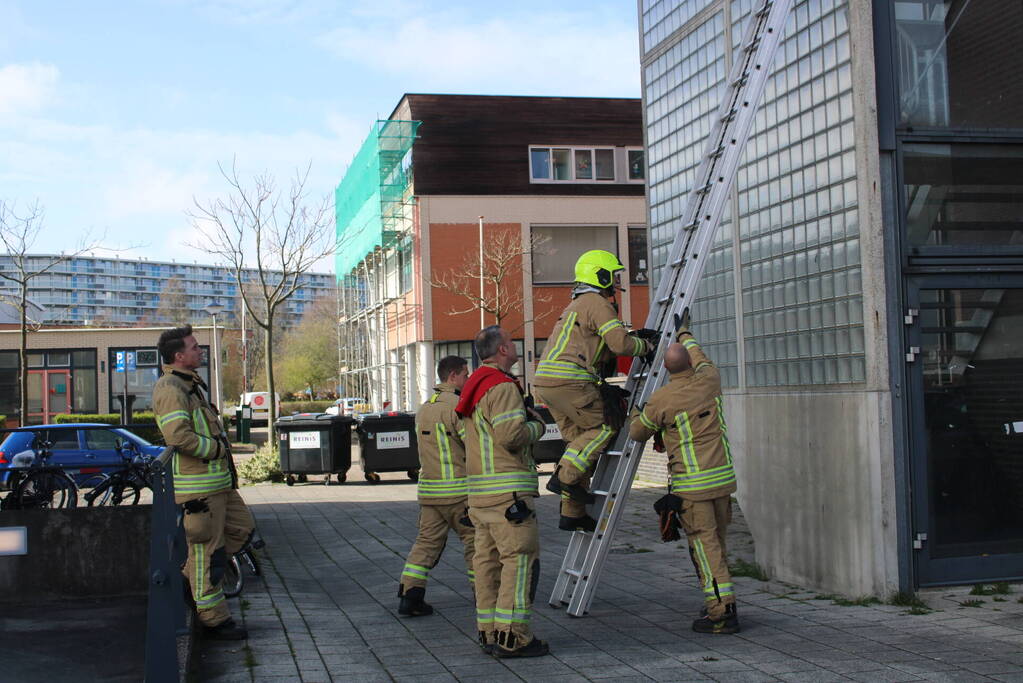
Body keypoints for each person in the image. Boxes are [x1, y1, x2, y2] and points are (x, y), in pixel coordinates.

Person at [627, 327, 739, 635]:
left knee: (704, 548)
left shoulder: (662, 399)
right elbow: (701, 357)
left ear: (665, 368)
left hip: (693, 487)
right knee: (718, 544)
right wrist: (686, 333)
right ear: (690, 361)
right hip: (722, 483)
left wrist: (634, 413)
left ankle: (721, 611)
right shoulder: (710, 379)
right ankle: (720, 597)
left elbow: (638, 432)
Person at [533, 249, 655, 531]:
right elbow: (619, 345)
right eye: (612, 275)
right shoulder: (597, 303)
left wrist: (631, 337)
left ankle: (572, 513)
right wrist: (645, 346)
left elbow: (600, 349)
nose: (615, 281)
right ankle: (562, 478)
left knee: (578, 442)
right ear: (600, 275)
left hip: (548, 383)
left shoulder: (576, 304)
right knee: (604, 427)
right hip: (570, 382)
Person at [153, 324, 255, 640]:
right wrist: (215, 450)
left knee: (242, 529)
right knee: (206, 554)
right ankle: (214, 619)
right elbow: (177, 435)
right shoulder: (171, 389)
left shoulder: (189, 384)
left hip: (217, 485)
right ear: (179, 355)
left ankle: (188, 581)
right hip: (199, 489)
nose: (200, 351)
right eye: (194, 347)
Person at [456, 325, 549, 658]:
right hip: (509, 496)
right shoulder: (503, 388)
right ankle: (514, 638)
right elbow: (511, 436)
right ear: (504, 351)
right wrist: (537, 424)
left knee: (487, 566)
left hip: (480, 497)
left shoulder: (474, 386)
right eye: (511, 342)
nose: (514, 346)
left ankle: (489, 633)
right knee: (518, 563)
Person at [397, 355, 475, 617]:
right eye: (465, 374)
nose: (468, 379)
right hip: (459, 493)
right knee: (475, 543)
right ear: (452, 376)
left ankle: (410, 595)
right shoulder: (458, 406)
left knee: (425, 544)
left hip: (430, 493)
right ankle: (484, 595)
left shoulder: (424, 408)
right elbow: (473, 446)